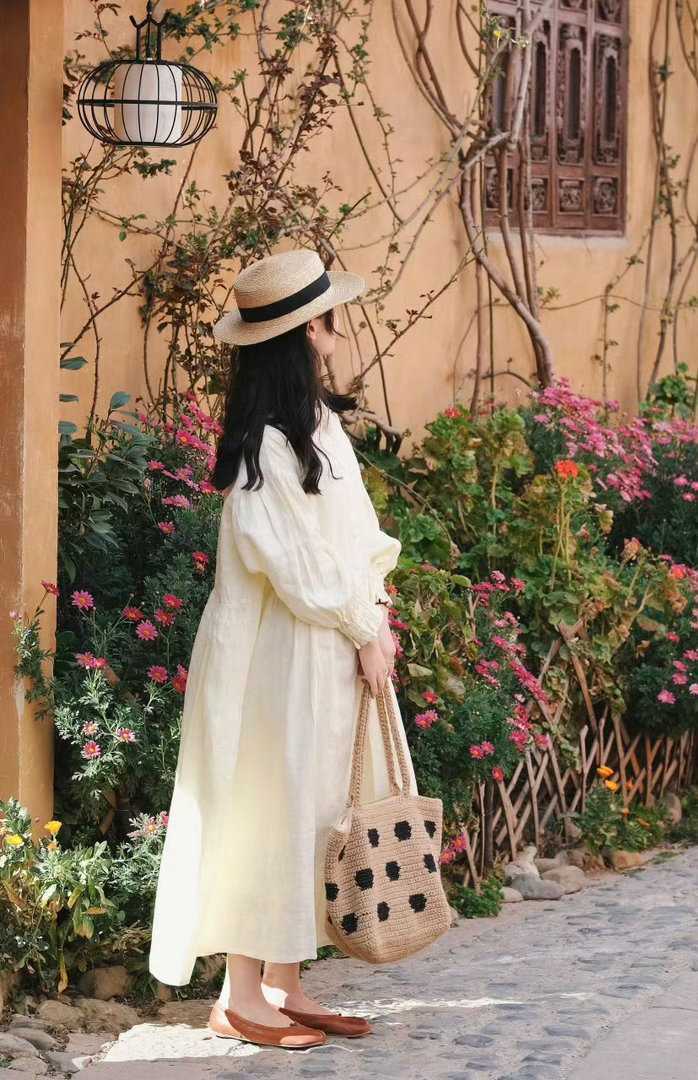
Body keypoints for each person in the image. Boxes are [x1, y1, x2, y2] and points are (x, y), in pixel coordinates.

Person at [148, 249, 418, 1050]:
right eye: (328, 311)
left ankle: (283, 982)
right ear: (306, 330)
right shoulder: (263, 446)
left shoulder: (320, 425)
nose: (339, 321)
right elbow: (293, 565)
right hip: (274, 657)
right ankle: (238, 996)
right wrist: (363, 625)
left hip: (327, 648)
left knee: (316, 806)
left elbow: (356, 536)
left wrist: (376, 614)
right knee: (265, 804)